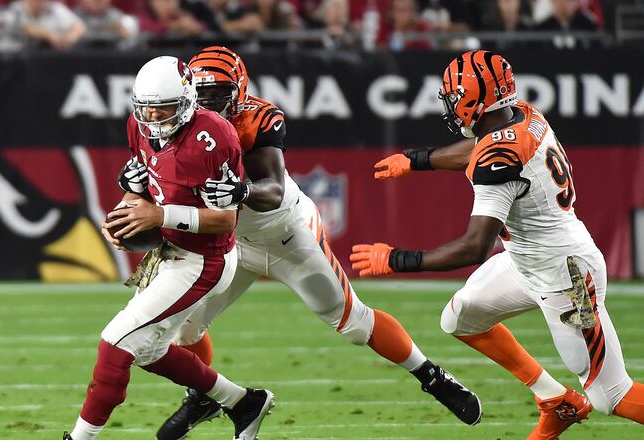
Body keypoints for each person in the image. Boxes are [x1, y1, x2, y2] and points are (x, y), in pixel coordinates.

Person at [149, 46, 482, 440]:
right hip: (232, 241)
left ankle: (432, 376)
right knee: (186, 327)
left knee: (354, 323)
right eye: (200, 94)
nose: (207, 103)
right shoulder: (172, 125)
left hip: (286, 232)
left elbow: (271, 189)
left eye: (218, 94)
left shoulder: (258, 118)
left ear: (239, 92)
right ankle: (203, 395)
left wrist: (237, 190)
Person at [361, 50, 644, 439]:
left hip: (568, 277)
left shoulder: (499, 158)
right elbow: (480, 148)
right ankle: (554, 400)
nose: (449, 105)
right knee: (461, 317)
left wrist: (398, 259)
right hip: (530, 259)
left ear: (474, 100)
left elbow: (474, 247)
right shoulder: (525, 114)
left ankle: (569, 401)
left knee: (612, 394)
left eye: (453, 96)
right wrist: (417, 160)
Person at [63, 56, 274, 440]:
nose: (155, 117)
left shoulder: (215, 136)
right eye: (148, 108)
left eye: (165, 107)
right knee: (148, 351)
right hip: (169, 252)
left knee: (116, 343)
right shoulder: (138, 126)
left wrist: (158, 216)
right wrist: (124, 216)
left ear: (188, 100)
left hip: (206, 259)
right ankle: (243, 402)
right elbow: (139, 193)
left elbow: (225, 220)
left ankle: (79, 438)